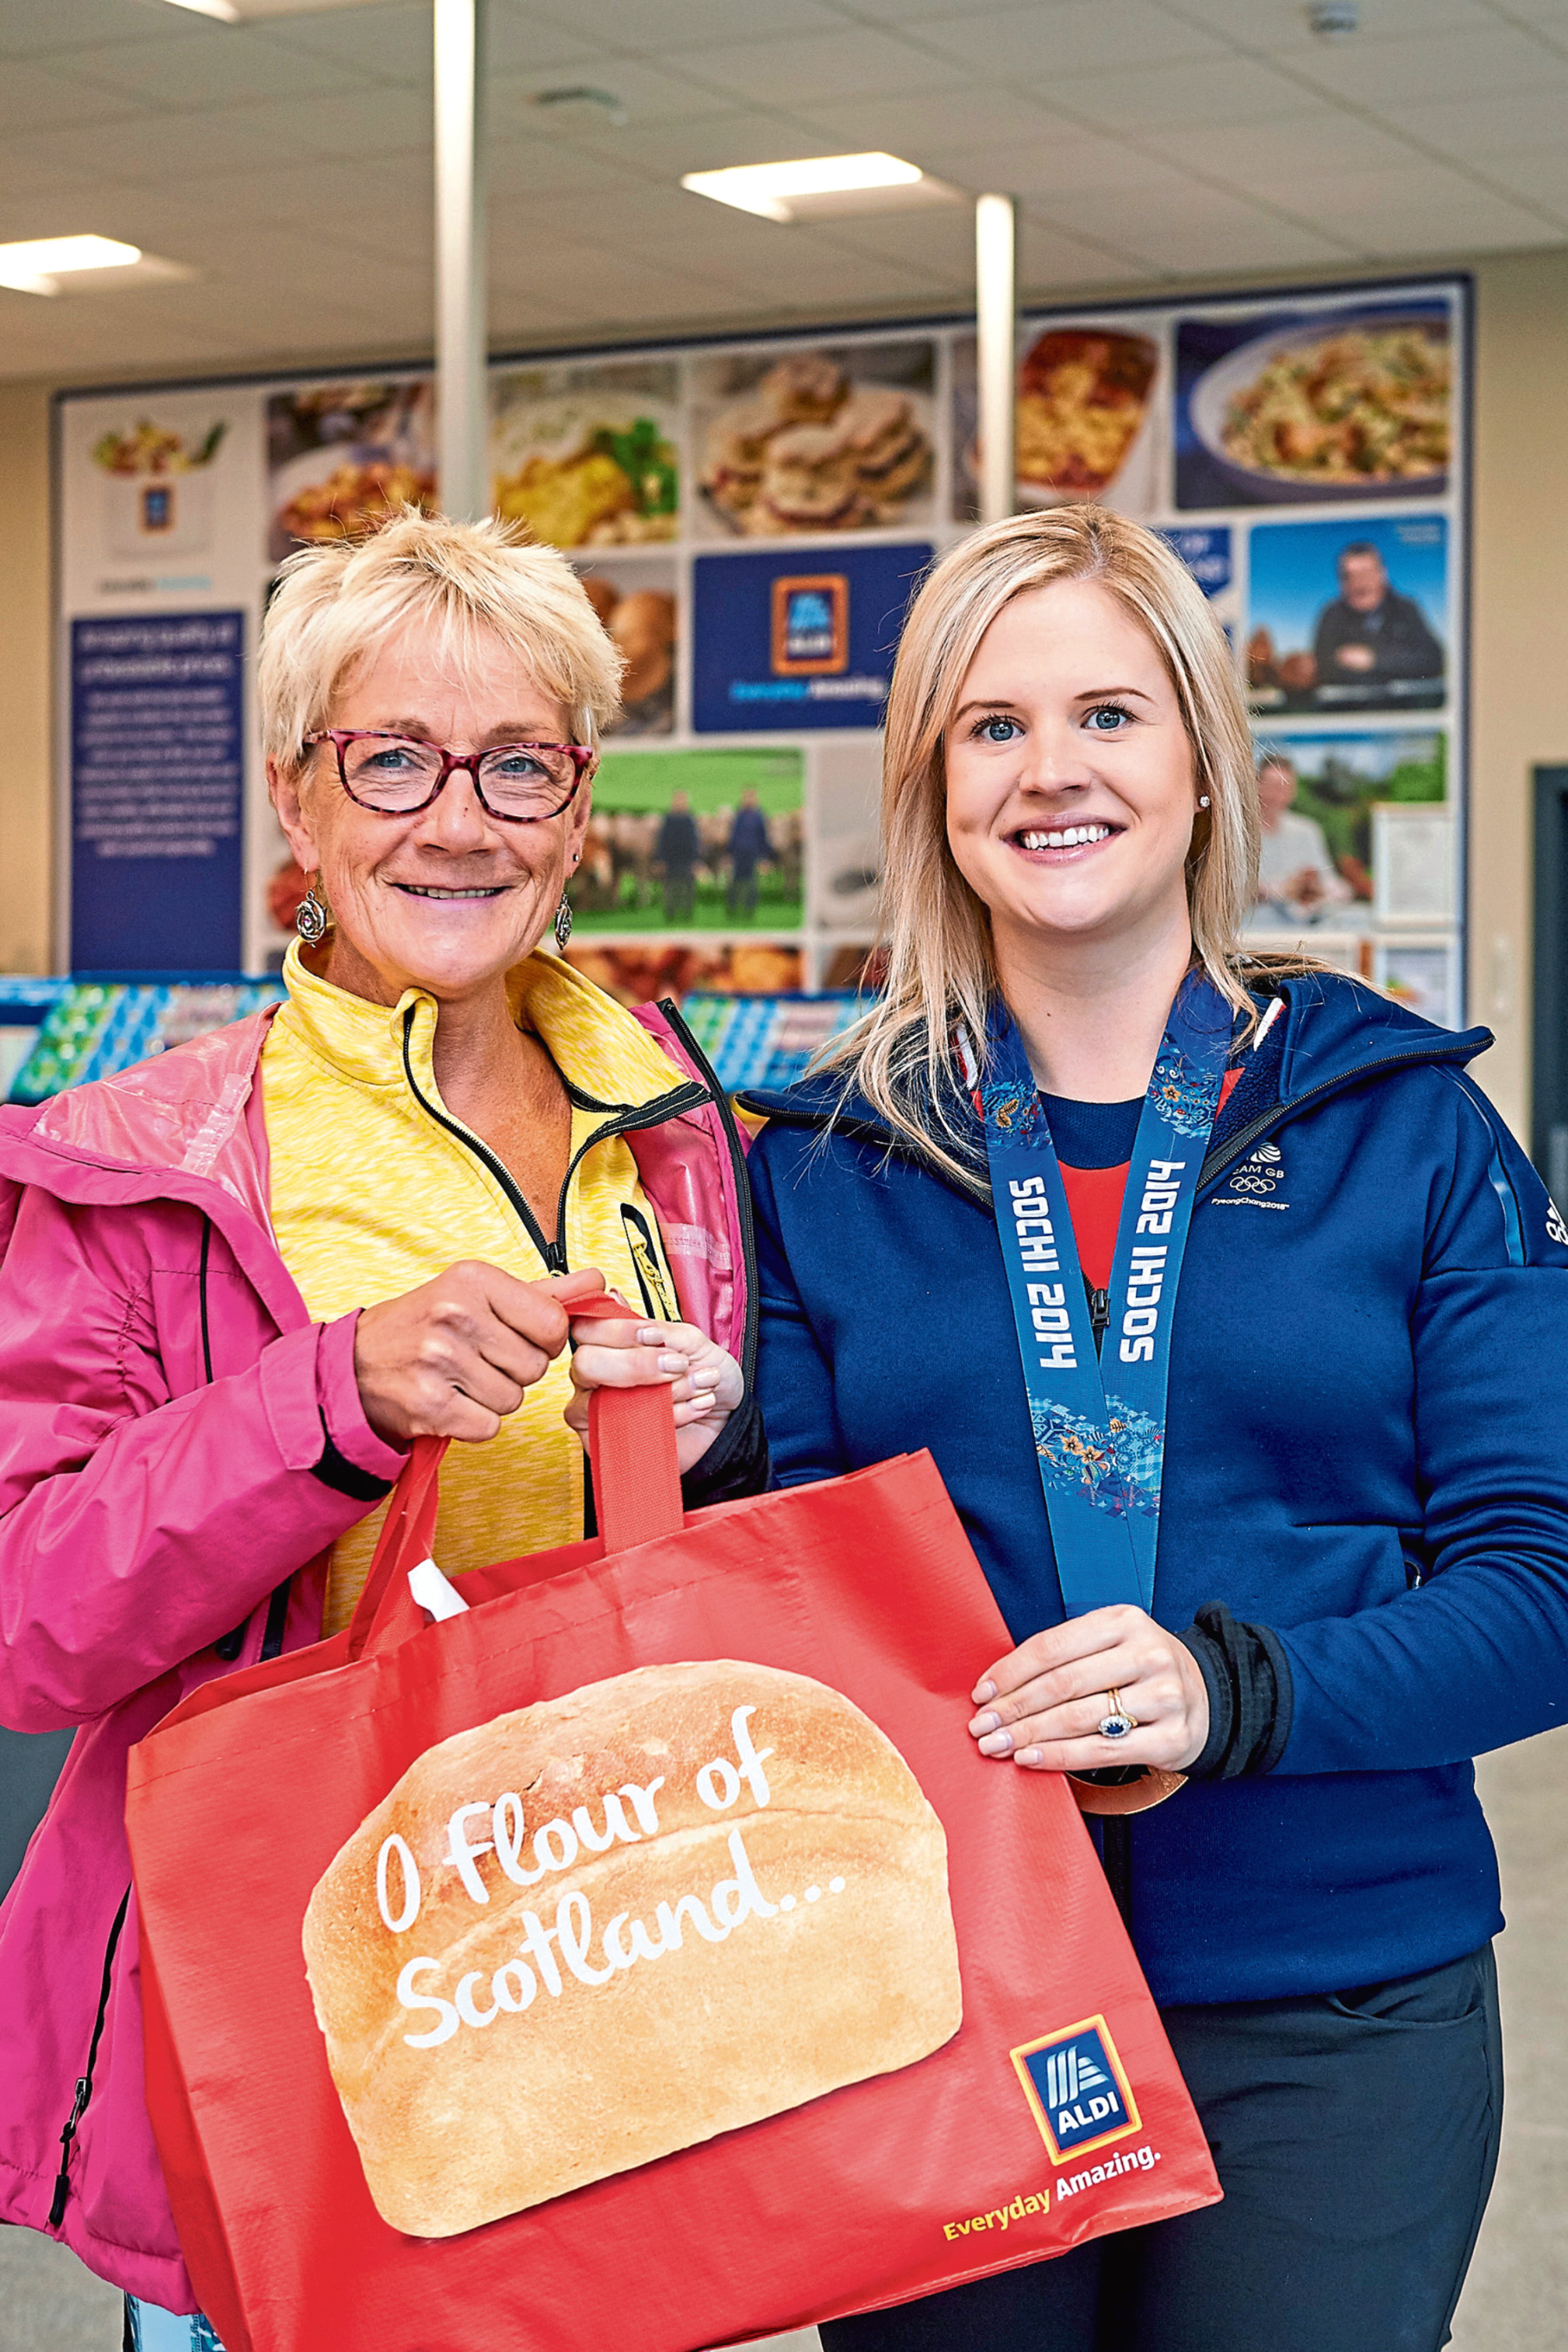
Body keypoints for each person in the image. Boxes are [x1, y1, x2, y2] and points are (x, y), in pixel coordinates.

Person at [739, 506, 1568, 2352]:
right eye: (990, 724)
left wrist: (1229, 1692)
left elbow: (1542, 1583)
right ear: (928, 784)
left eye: (1108, 713)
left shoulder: (1406, 1134)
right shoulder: (816, 1165)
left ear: (1205, 764)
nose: (1052, 771)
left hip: (1328, 2005)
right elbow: (783, 1601)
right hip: (935, 1996)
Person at [0, 514, 763, 2346]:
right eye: (392, 758)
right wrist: (329, 1399)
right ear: (298, 800)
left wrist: (729, 1439)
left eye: (517, 763)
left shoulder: (669, 1115)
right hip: (299, 1983)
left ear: (578, 805)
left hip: (614, 1953)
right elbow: (34, 1607)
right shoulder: (142, 1160)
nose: (457, 818)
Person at [1312, 539, 1443, 688]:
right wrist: (1399, 664)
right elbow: (1323, 668)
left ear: (1382, 574)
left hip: (1401, 707)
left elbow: (1432, 659)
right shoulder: (1331, 615)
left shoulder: (1405, 609)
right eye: (1349, 576)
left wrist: (1374, 659)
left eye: (1365, 574)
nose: (1358, 584)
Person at [1250, 750, 1351, 926]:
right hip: (1255, 930)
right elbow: (1231, 891)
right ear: (1258, 786)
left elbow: (1329, 882)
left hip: (1304, 931)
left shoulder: (1308, 830)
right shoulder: (1240, 833)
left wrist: (1316, 888)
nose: (1279, 795)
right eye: (1274, 787)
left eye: (1286, 787)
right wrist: (1278, 890)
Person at [727, 787, 773, 920]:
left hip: (753, 854)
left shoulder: (759, 816)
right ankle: (732, 908)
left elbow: (763, 837)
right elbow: (733, 835)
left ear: (755, 799)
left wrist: (764, 857)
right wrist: (730, 853)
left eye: (751, 797)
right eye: (746, 797)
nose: (749, 800)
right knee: (735, 882)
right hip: (738, 854)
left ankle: (749, 910)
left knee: (751, 884)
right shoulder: (738, 815)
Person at [656, 788, 701, 924]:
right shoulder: (668, 819)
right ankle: (671, 913)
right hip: (671, 859)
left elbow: (695, 841)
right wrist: (660, 859)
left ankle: (687, 913)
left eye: (682, 800)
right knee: (671, 886)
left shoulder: (690, 820)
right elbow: (662, 840)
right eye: (678, 800)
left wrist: (696, 860)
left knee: (687, 887)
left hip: (687, 858)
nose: (680, 803)